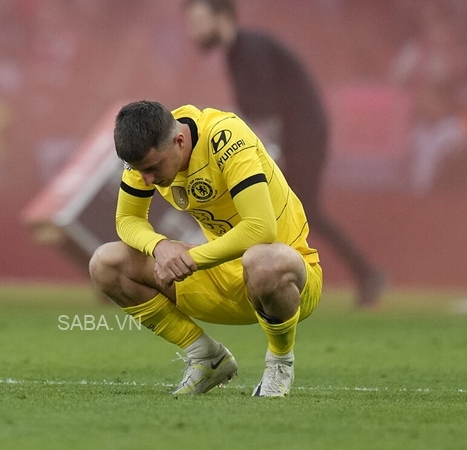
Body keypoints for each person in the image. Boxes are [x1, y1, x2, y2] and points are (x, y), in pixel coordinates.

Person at [89, 100, 323, 397]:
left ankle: (279, 362)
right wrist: (160, 247)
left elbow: (260, 229)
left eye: (152, 169)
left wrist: (190, 257)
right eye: (139, 171)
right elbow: (127, 219)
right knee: (105, 263)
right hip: (222, 279)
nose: (147, 179)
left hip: (288, 281)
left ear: (179, 141)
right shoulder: (149, 148)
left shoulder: (226, 138)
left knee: (263, 259)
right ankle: (206, 357)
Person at [184, 0, 385, 308]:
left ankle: (357, 274)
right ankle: (356, 274)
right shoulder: (238, 53)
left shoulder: (249, 50)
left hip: (302, 136)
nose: (192, 30)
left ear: (222, 17)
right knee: (290, 212)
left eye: (197, 20)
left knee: (297, 210)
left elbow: (265, 114)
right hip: (295, 136)